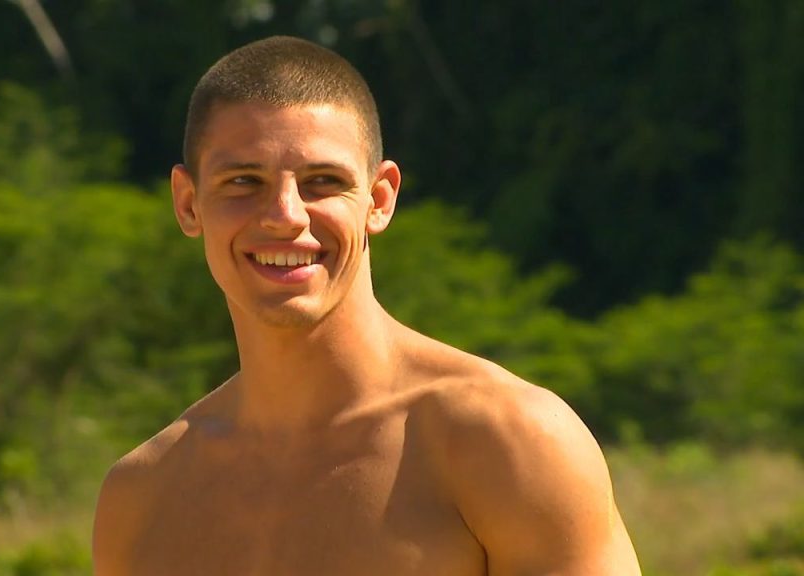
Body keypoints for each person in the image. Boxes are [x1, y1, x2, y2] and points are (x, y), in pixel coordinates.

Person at [92, 35, 641, 575]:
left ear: (379, 199)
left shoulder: (504, 442)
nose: (285, 215)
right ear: (188, 203)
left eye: (322, 181)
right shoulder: (143, 496)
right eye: (243, 181)